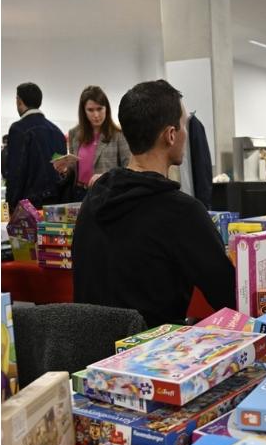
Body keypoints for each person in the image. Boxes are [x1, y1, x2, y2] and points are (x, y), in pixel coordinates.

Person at [72, 79, 235, 327]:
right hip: (154, 346)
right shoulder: (182, 212)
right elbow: (231, 297)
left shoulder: (93, 198)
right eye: (183, 125)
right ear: (171, 135)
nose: (185, 133)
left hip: (90, 348)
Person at [56, 86, 131, 199]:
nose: (96, 115)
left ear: (106, 109)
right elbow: (74, 171)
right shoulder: (74, 134)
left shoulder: (119, 135)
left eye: (100, 109)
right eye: (90, 110)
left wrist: (106, 177)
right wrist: (64, 170)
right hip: (79, 193)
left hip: (106, 194)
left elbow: (128, 170)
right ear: (84, 111)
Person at [5, 82, 68, 208]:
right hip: (57, 201)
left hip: (30, 203)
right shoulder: (57, 131)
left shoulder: (19, 129)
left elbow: (16, 172)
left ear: (19, 100)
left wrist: (10, 206)